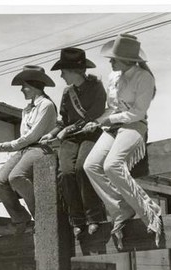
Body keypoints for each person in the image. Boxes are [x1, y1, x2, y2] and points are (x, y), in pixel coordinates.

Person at [82, 33, 162, 247]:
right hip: (113, 127)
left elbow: (137, 113)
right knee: (90, 165)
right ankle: (121, 208)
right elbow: (112, 108)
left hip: (134, 126)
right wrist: (99, 121)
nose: (110, 61)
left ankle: (149, 211)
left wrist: (110, 119)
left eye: (114, 58)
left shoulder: (144, 78)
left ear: (126, 60)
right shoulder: (113, 77)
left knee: (112, 165)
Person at [39, 48, 107, 237]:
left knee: (82, 168)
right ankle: (77, 220)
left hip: (90, 134)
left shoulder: (96, 87)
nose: (61, 75)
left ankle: (94, 216)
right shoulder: (67, 93)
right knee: (66, 172)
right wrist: (52, 134)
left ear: (74, 71)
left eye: (63, 71)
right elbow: (63, 120)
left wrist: (69, 130)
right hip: (70, 137)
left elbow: (94, 117)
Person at [0, 65, 57, 232]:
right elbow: (25, 136)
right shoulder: (26, 110)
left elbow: (32, 136)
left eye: (24, 86)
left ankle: (41, 215)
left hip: (40, 148)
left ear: (34, 86)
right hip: (25, 149)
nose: (22, 90)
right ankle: (20, 217)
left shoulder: (46, 105)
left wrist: (2, 146)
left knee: (16, 176)